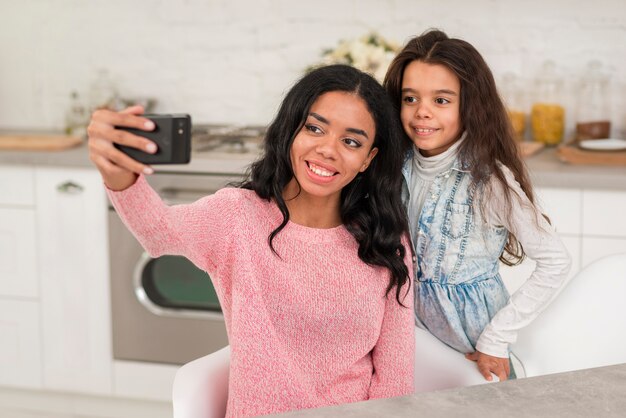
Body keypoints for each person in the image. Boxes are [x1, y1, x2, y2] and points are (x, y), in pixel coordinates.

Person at [87, 64, 415, 418]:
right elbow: (158, 231)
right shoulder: (238, 216)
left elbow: (395, 378)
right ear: (291, 130)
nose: (327, 149)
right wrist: (119, 176)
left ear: (369, 159)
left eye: (350, 141)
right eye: (315, 128)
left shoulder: (385, 240)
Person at [383, 29, 572, 385]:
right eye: (410, 98)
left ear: (469, 105)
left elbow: (555, 261)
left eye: (441, 100)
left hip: (472, 346)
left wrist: (497, 339)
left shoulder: (489, 181)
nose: (422, 112)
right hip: (410, 338)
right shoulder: (394, 166)